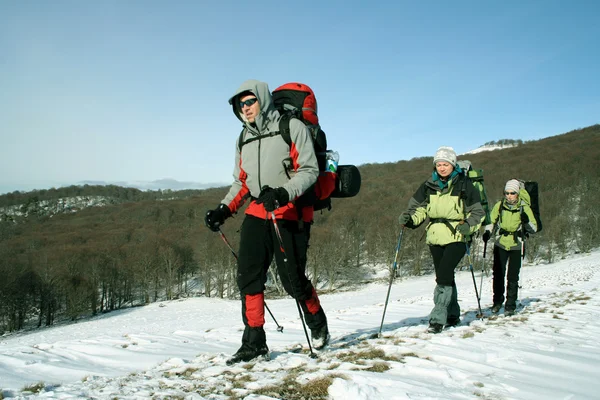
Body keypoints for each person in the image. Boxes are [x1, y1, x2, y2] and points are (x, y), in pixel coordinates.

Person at [204, 79, 329, 365]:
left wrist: (284, 192)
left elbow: (309, 171)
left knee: (292, 280)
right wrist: (223, 209)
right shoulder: (242, 138)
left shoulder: (290, 127)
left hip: (291, 210)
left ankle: (318, 321)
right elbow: (242, 182)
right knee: (248, 276)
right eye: (240, 104)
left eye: (250, 101)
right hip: (259, 210)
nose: (245, 108)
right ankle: (254, 342)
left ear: (262, 99)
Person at [399, 146, 485, 333]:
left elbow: (478, 212)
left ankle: (438, 319)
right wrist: (410, 219)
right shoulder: (428, 185)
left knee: (444, 274)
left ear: (452, 165)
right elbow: (419, 209)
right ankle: (453, 315)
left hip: (458, 235)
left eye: (446, 164)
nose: (442, 167)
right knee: (445, 276)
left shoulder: (464, 184)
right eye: (439, 164)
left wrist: (468, 225)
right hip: (435, 236)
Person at [482, 179, 537, 316]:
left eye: (512, 193)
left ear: (517, 193)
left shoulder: (524, 207)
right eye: (506, 193)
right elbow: (491, 220)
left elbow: (534, 228)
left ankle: (510, 305)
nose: (509, 196)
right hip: (501, 243)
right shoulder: (499, 205)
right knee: (498, 274)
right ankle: (497, 302)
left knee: (512, 276)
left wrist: (526, 221)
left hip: (517, 244)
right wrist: (488, 232)